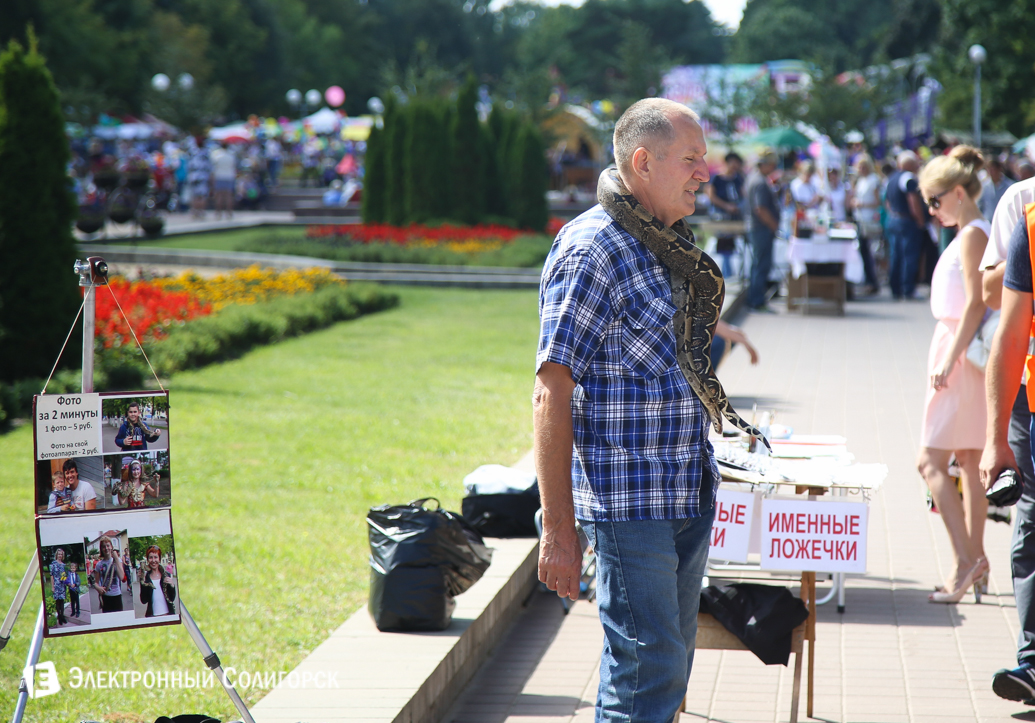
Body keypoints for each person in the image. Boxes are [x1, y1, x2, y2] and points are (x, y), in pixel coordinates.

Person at [535, 98, 717, 722]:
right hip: (629, 503)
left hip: (686, 492)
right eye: (691, 160)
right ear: (643, 161)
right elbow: (549, 391)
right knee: (646, 670)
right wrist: (558, 529)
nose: (706, 173)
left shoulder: (666, 245)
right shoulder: (592, 252)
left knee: (667, 665)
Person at [916, 145, 991, 603]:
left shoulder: (971, 235)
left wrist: (949, 359)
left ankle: (967, 561)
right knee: (967, 459)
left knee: (930, 462)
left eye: (935, 199)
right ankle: (973, 561)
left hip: (960, 356)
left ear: (959, 192)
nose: (931, 209)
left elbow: (976, 305)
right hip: (960, 353)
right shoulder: (970, 231)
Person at [978, 174, 1035, 702]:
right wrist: (996, 438)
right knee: (1034, 524)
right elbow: (1007, 325)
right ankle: (1034, 662)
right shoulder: (1027, 210)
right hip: (1032, 403)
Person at [885, 151, 929, 300]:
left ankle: (895, 288)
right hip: (907, 221)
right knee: (909, 256)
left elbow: (888, 202)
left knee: (895, 255)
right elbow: (913, 201)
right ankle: (908, 288)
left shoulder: (891, 178)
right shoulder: (908, 178)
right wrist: (920, 220)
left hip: (894, 220)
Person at [745, 150, 781, 311]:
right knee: (761, 265)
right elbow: (761, 209)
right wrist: (774, 225)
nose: (773, 167)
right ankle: (757, 300)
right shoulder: (759, 182)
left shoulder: (754, 178)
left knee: (758, 264)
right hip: (761, 228)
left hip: (758, 228)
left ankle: (756, 299)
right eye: (772, 164)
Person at [707, 152, 745, 278]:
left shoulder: (738, 178)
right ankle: (725, 272)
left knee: (733, 244)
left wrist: (738, 207)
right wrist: (726, 206)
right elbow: (711, 196)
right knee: (723, 243)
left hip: (735, 216)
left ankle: (732, 273)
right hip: (720, 215)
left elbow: (742, 194)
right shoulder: (717, 178)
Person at [852, 155, 883, 294]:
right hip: (860, 218)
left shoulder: (873, 180)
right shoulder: (860, 180)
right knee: (863, 251)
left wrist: (862, 204)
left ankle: (872, 281)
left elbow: (878, 202)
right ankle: (868, 280)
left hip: (869, 219)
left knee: (869, 252)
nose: (861, 169)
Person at [139, 545, 177, 617]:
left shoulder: (166, 575)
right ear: (147, 560)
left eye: (156, 557)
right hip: (152, 616)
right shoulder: (146, 577)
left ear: (159, 559)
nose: (153, 560)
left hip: (168, 615)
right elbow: (143, 600)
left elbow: (172, 598)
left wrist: (172, 586)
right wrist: (142, 581)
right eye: (150, 557)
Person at [92, 535, 126, 613]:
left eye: (108, 545)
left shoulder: (118, 561)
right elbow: (95, 583)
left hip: (117, 596)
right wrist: (98, 588)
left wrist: (116, 558)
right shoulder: (99, 564)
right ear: (101, 549)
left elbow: (122, 577)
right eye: (104, 546)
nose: (106, 548)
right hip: (106, 597)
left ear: (111, 547)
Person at [210, 142, 237, 220]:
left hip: (219, 176)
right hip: (229, 176)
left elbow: (214, 167)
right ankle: (229, 213)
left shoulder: (217, 156)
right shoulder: (231, 155)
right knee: (228, 196)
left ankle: (218, 213)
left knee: (219, 196)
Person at [49, 548, 69, 626]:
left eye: (61, 554)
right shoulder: (53, 564)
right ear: (56, 555)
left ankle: (62, 616)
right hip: (56, 585)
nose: (60, 555)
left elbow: (64, 575)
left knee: (62, 601)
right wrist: (52, 587)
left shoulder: (64, 565)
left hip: (62, 585)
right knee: (58, 601)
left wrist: (65, 581)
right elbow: (51, 576)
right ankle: (59, 617)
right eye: (59, 554)